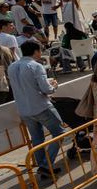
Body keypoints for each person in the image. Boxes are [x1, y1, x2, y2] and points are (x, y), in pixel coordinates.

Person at [7, 41, 63, 178]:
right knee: (59, 133)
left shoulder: (12, 67)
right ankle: (46, 165)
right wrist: (54, 86)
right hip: (41, 106)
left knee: (37, 139)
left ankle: (43, 165)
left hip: (24, 109)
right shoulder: (36, 66)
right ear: (36, 51)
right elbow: (46, 89)